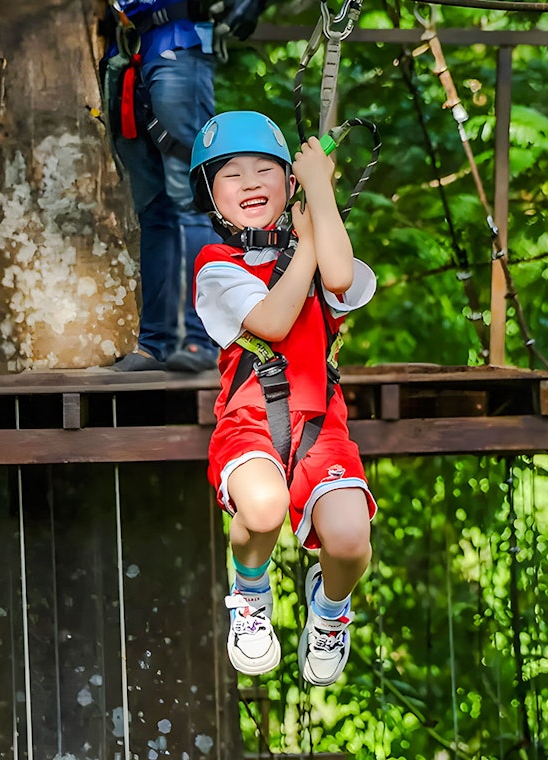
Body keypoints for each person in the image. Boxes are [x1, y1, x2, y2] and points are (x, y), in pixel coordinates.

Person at [189, 111, 378, 686]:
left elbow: (341, 278)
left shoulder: (319, 245)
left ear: (289, 183)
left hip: (322, 424)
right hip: (249, 423)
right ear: (212, 195)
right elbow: (271, 320)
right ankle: (250, 596)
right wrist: (306, 247)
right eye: (230, 174)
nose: (249, 182)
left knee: (349, 538)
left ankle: (329, 611)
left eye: (265, 169)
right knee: (264, 506)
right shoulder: (216, 267)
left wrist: (322, 193)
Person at [104, 0, 233, 373]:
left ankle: (203, 339)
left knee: (191, 202)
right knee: (154, 210)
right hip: (127, 51)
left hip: (175, 42)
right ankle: (154, 344)